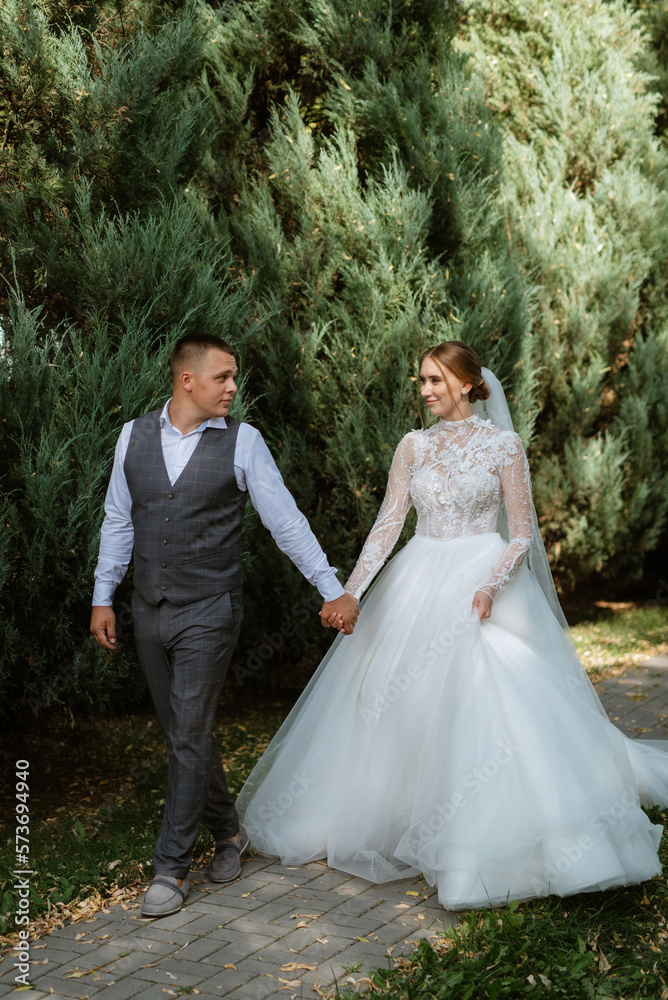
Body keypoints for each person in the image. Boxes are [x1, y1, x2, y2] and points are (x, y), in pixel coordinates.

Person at [236, 340, 668, 910]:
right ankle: (392, 814)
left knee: (488, 695)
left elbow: (521, 533)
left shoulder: (504, 446)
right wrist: (351, 592)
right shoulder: (412, 446)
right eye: (421, 381)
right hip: (418, 577)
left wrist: (489, 585)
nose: (425, 391)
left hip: (481, 578)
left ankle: (482, 839)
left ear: (466, 382)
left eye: (435, 380)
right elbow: (388, 525)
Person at [90, 333, 358, 919]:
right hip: (146, 609)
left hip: (210, 609)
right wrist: (101, 596)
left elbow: (284, 519)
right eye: (224, 377)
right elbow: (118, 518)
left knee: (187, 732)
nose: (234, 388)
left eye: (234, 377)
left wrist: (332, 587)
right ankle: (230, 834)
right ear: (187, 380)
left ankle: (170, 869)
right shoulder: (132, 436)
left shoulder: (244, 442)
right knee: (185, 733)